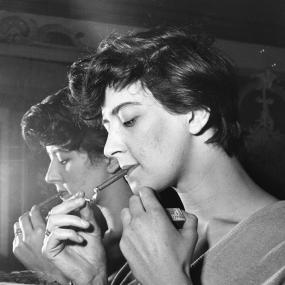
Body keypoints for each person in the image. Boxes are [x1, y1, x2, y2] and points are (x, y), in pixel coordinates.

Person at [44, 26, 285, 285]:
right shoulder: (150, 242)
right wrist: (92, 279)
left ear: (196, 114)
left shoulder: (278, 246)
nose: (109, 148)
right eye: (107, 127)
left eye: (128, 120)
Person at [13, 87, 133, 284]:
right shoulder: (92, 242)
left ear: (110, 158)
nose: (49, 177)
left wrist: (52, 272)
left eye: (62, 160)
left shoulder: (154, 241)